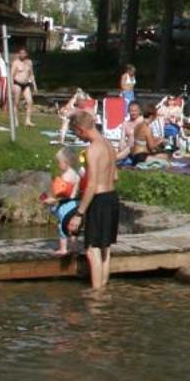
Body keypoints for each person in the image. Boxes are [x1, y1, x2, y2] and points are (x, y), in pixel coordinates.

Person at [66, 110, 120, 290]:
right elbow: (115, 177)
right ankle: (103, 289)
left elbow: (92, 185)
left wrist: (79, 214)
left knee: (92, 249)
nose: (77, 137)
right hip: (112, 197)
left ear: (81, 130)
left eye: (75, 133)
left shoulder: (92, 150)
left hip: (98, 200)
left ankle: (96, 296)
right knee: (105, 249)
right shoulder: (109, 145)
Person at [42, 148, 81, 257]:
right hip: (75, 204)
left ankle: (63, 249)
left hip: (66, 206)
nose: (58, 165)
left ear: (65, 163)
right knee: (73, 227)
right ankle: (74, 248)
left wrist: (49, 201)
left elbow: (61, 195)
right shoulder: (76, 174)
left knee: (62, 225)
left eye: (59, 162)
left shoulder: (66, 177)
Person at [9, 48, 36, 117]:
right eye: (20, 53)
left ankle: (28, 120)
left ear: (26, 54)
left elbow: (31, 74)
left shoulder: (29, 62)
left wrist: (34, 85)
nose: (22, 55)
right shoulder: (15, 63)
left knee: (30, 102)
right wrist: (11, 85)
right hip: (17, 83)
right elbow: (11, 75)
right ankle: (16, 120)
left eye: (23, 53)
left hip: (26, 84)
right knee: (16, 102)